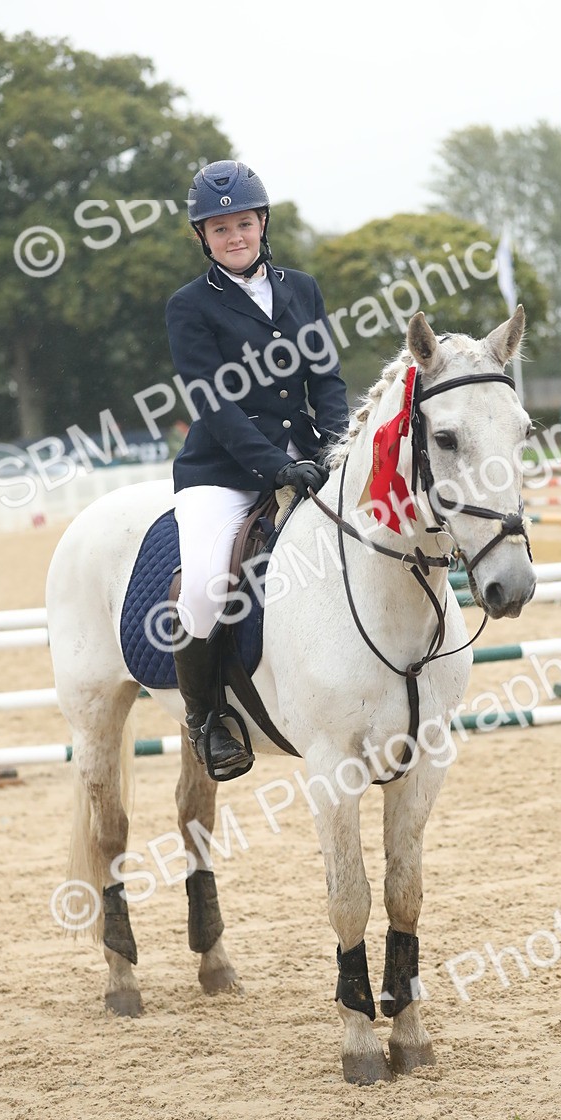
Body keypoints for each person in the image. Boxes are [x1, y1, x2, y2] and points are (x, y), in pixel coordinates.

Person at [166, 160, 349, 775]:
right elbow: (212, 403)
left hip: (304, 457)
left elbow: (326, 377)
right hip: (221, 470)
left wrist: (333, 447)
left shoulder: (303, 288)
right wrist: (275, 465)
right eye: (219, 230)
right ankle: (207, 718)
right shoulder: (189, 306)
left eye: (243, 224)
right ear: (203, 237)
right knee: (203, 588)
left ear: (262, 223)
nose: (234, 237)